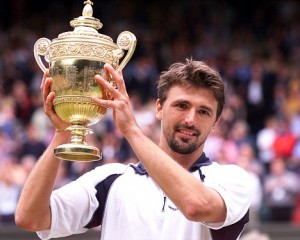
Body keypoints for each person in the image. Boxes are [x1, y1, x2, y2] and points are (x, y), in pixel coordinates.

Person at [15, 59, 251, 240]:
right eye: (181, 106)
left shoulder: (231, 179)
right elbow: (30, 217)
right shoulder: (111, 179)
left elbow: (195, 206)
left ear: (216, 121)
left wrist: (132, 130)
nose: (190, 119)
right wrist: (63, 133)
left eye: (204, 112)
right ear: (159, 108)